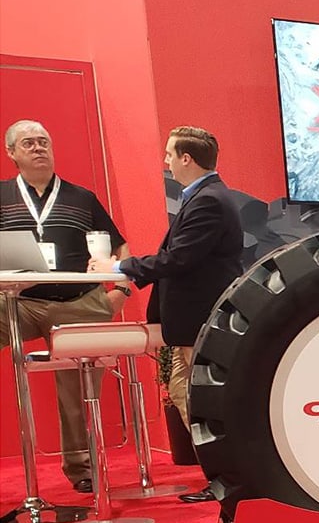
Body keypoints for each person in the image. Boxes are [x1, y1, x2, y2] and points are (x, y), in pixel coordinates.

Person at [90, 126, 241, 503]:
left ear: (187, 158)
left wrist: (121, 267)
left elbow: (179, 259)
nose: (166, 161)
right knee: (182, 391)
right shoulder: (205, 196)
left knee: (204, 399)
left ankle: (230, 478)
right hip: (190, 320)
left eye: (170, 154)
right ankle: (224, 474)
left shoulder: (208, 200)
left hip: (198, 317)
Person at [1, 119, 132, 493]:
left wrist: (122, 292)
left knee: (78, 388)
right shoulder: (2, 196)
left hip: (78, 302)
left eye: (44, 141)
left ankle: (81, 467)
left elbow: (120, 246)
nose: (39, 148)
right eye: (29, 143)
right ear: (11, 153)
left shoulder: (81, 198)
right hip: (19, 303)